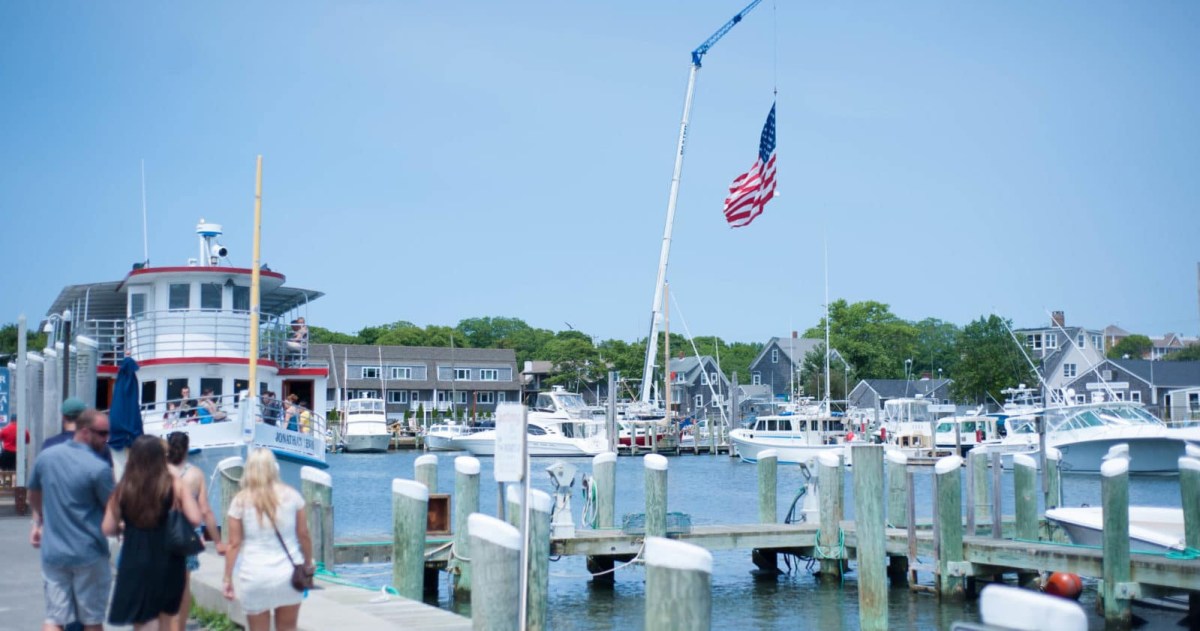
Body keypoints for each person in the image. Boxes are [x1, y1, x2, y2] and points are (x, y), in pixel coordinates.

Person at [27, 409, 116, 631]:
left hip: (54, 552)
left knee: (54, 618)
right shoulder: (99, 468)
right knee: (92, 620)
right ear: (85, 432)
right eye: (102, 433)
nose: (107, 439)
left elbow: (33, 494)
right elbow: (113, 510)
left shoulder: (47, 457)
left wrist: (39, 522)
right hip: (89, 552)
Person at [103, 434, 202, 630]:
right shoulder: (173, 483)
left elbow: (107, 527)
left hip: (135, 557)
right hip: (168, 559)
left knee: (141, 619)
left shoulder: (124, 487)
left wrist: (124, 526)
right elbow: (195, 518)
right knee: (166, 617)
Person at [223, 448, 314, 631]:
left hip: (255, 574)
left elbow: (234, 544)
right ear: (274, 468)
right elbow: (303, 533)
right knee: (288, 627)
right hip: (288, 574)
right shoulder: (292, 496)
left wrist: (227, 578)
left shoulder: (240, 501)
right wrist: (308, 562)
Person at [166, 432, 225, 631]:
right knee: (183, 588)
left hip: (158, 537)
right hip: (185, 537)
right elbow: (206, 511)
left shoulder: (158, 471)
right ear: (187, 448)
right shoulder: (195, 474)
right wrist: (217, 542)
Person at [44, 397, 113, 466]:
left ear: (63, 417)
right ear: (83, 417)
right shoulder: (98, 445)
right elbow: (107, 473)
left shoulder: (49, 444)